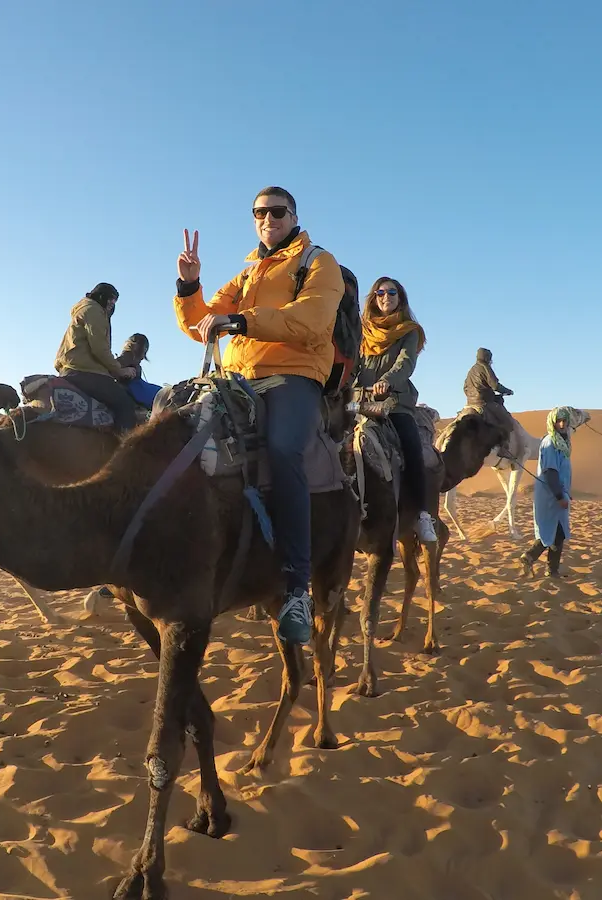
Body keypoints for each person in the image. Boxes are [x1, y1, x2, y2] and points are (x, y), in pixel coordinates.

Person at [175, 186, 344, 645]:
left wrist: (244, 322)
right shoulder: (248, 271)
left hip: (294, 374)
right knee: (176, 429)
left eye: (276, 211)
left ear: (293, 215)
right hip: (239, 376)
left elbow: (309, 319)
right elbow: (202, 324)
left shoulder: (317, 262)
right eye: (258, 212)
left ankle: (295, 587)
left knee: (284, 448)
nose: (267, 218)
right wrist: (190, 287)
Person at [355, 277, 436, 542]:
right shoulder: (362, 330)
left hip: (393, 401)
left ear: (400, 297)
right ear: (373, 298)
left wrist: (386, 382)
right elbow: (352, 362)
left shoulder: (409, 331)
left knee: (411, 448)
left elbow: (406, 363)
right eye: (380, 292)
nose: (385, 297)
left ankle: (423, 516)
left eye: (392, 292)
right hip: (358, 399)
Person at [55, 283, 140, 434]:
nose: (112, 306)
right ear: (103, 297)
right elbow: (100, 349)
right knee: (125, 403)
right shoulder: (95, 311)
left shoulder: (83, 310)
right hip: (84, 371)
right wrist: (119, 370)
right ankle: (125, 449)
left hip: (71, 368)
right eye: (112, 301)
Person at [520, 407, 575, 579]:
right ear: (552, 422)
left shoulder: (562, 442)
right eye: (558, 421)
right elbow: (550, 472)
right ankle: (536, 560)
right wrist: (559, 496)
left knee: (556, 532)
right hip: (550, 494)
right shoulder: (551, 442)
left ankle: (548, 568)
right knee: (554, 532)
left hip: (557, 491)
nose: (562, 424)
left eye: (565, 421)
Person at [463, 348, 515, 452]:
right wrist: (507, 391)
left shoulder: (471, 370)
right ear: (487, 358)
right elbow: (495, 385)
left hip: (470, 403)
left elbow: (465, 387)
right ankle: (504, 449)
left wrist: (471, 397)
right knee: (507, 421)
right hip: (484, 403)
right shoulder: (485, 367)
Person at [115, 333, 163, 410]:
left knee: (160, 392)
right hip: (134, 389)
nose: (143, 357)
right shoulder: (124, 359)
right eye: (143, 352)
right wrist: (124, 372)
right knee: (160, 395)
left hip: (138, 387)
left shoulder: (129, 360)